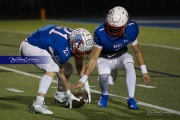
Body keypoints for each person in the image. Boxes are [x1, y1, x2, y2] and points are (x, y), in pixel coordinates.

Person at [70, 6, 151, 109]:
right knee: (104, 75)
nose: (112, 30)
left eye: (115, 28)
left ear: (125, 25)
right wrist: (83, 80)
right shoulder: (100, 32)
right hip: (104, 59)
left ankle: (131, 98)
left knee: (129, 62)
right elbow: (94, 58)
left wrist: (144, 71)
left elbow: (137, 52)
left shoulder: (132, 28)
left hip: (121, 56)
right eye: (110, 26)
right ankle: (104, 95)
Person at [19, 24, 94, 114]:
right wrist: (68, 93)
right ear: (73, 45)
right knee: (52, 68)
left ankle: (59, 96)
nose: (83, 54)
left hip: (42, 43)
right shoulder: (62, 49)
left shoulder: (75, 37)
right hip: (29, 47)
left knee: (69, 68)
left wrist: (85, 82)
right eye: (81, 51)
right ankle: (38, 104)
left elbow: (79, 63)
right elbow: (60, 73)